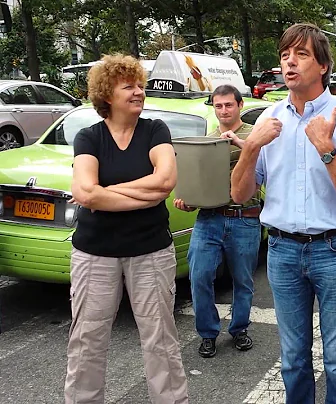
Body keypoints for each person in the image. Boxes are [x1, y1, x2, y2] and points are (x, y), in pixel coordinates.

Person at [229, 23, 336, 403]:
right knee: (293, 358)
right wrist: (250, 148)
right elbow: (239, 194)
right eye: (285, 56)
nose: (290, 63)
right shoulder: (267, 121)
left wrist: (327, 150)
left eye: (301, 55)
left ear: (324, 66)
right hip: (282, 252)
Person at [65, 54, 189, 403]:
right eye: (129, 86)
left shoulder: (155, 130)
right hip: (94, 255)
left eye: (140, 85)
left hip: (150, 251)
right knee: (86, 342)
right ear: (107, 95)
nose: (139, 92)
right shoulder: (89, 138)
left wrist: (103, 194)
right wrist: (138, 192)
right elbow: (84, 192)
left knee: (161, 341)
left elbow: (164, 182)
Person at [173, 84, 261, 358]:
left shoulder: (254, 135)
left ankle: (239, 329)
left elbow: (268, 161)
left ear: (240, 106)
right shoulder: (207, 140)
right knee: (199, 276)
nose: (223, 110)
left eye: (228, 105)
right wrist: (187, 200)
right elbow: (198, 182)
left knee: (243, 280)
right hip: (209, 218)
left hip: (244, 218)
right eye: (218, 105)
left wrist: (238, 143)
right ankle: (208, 334)